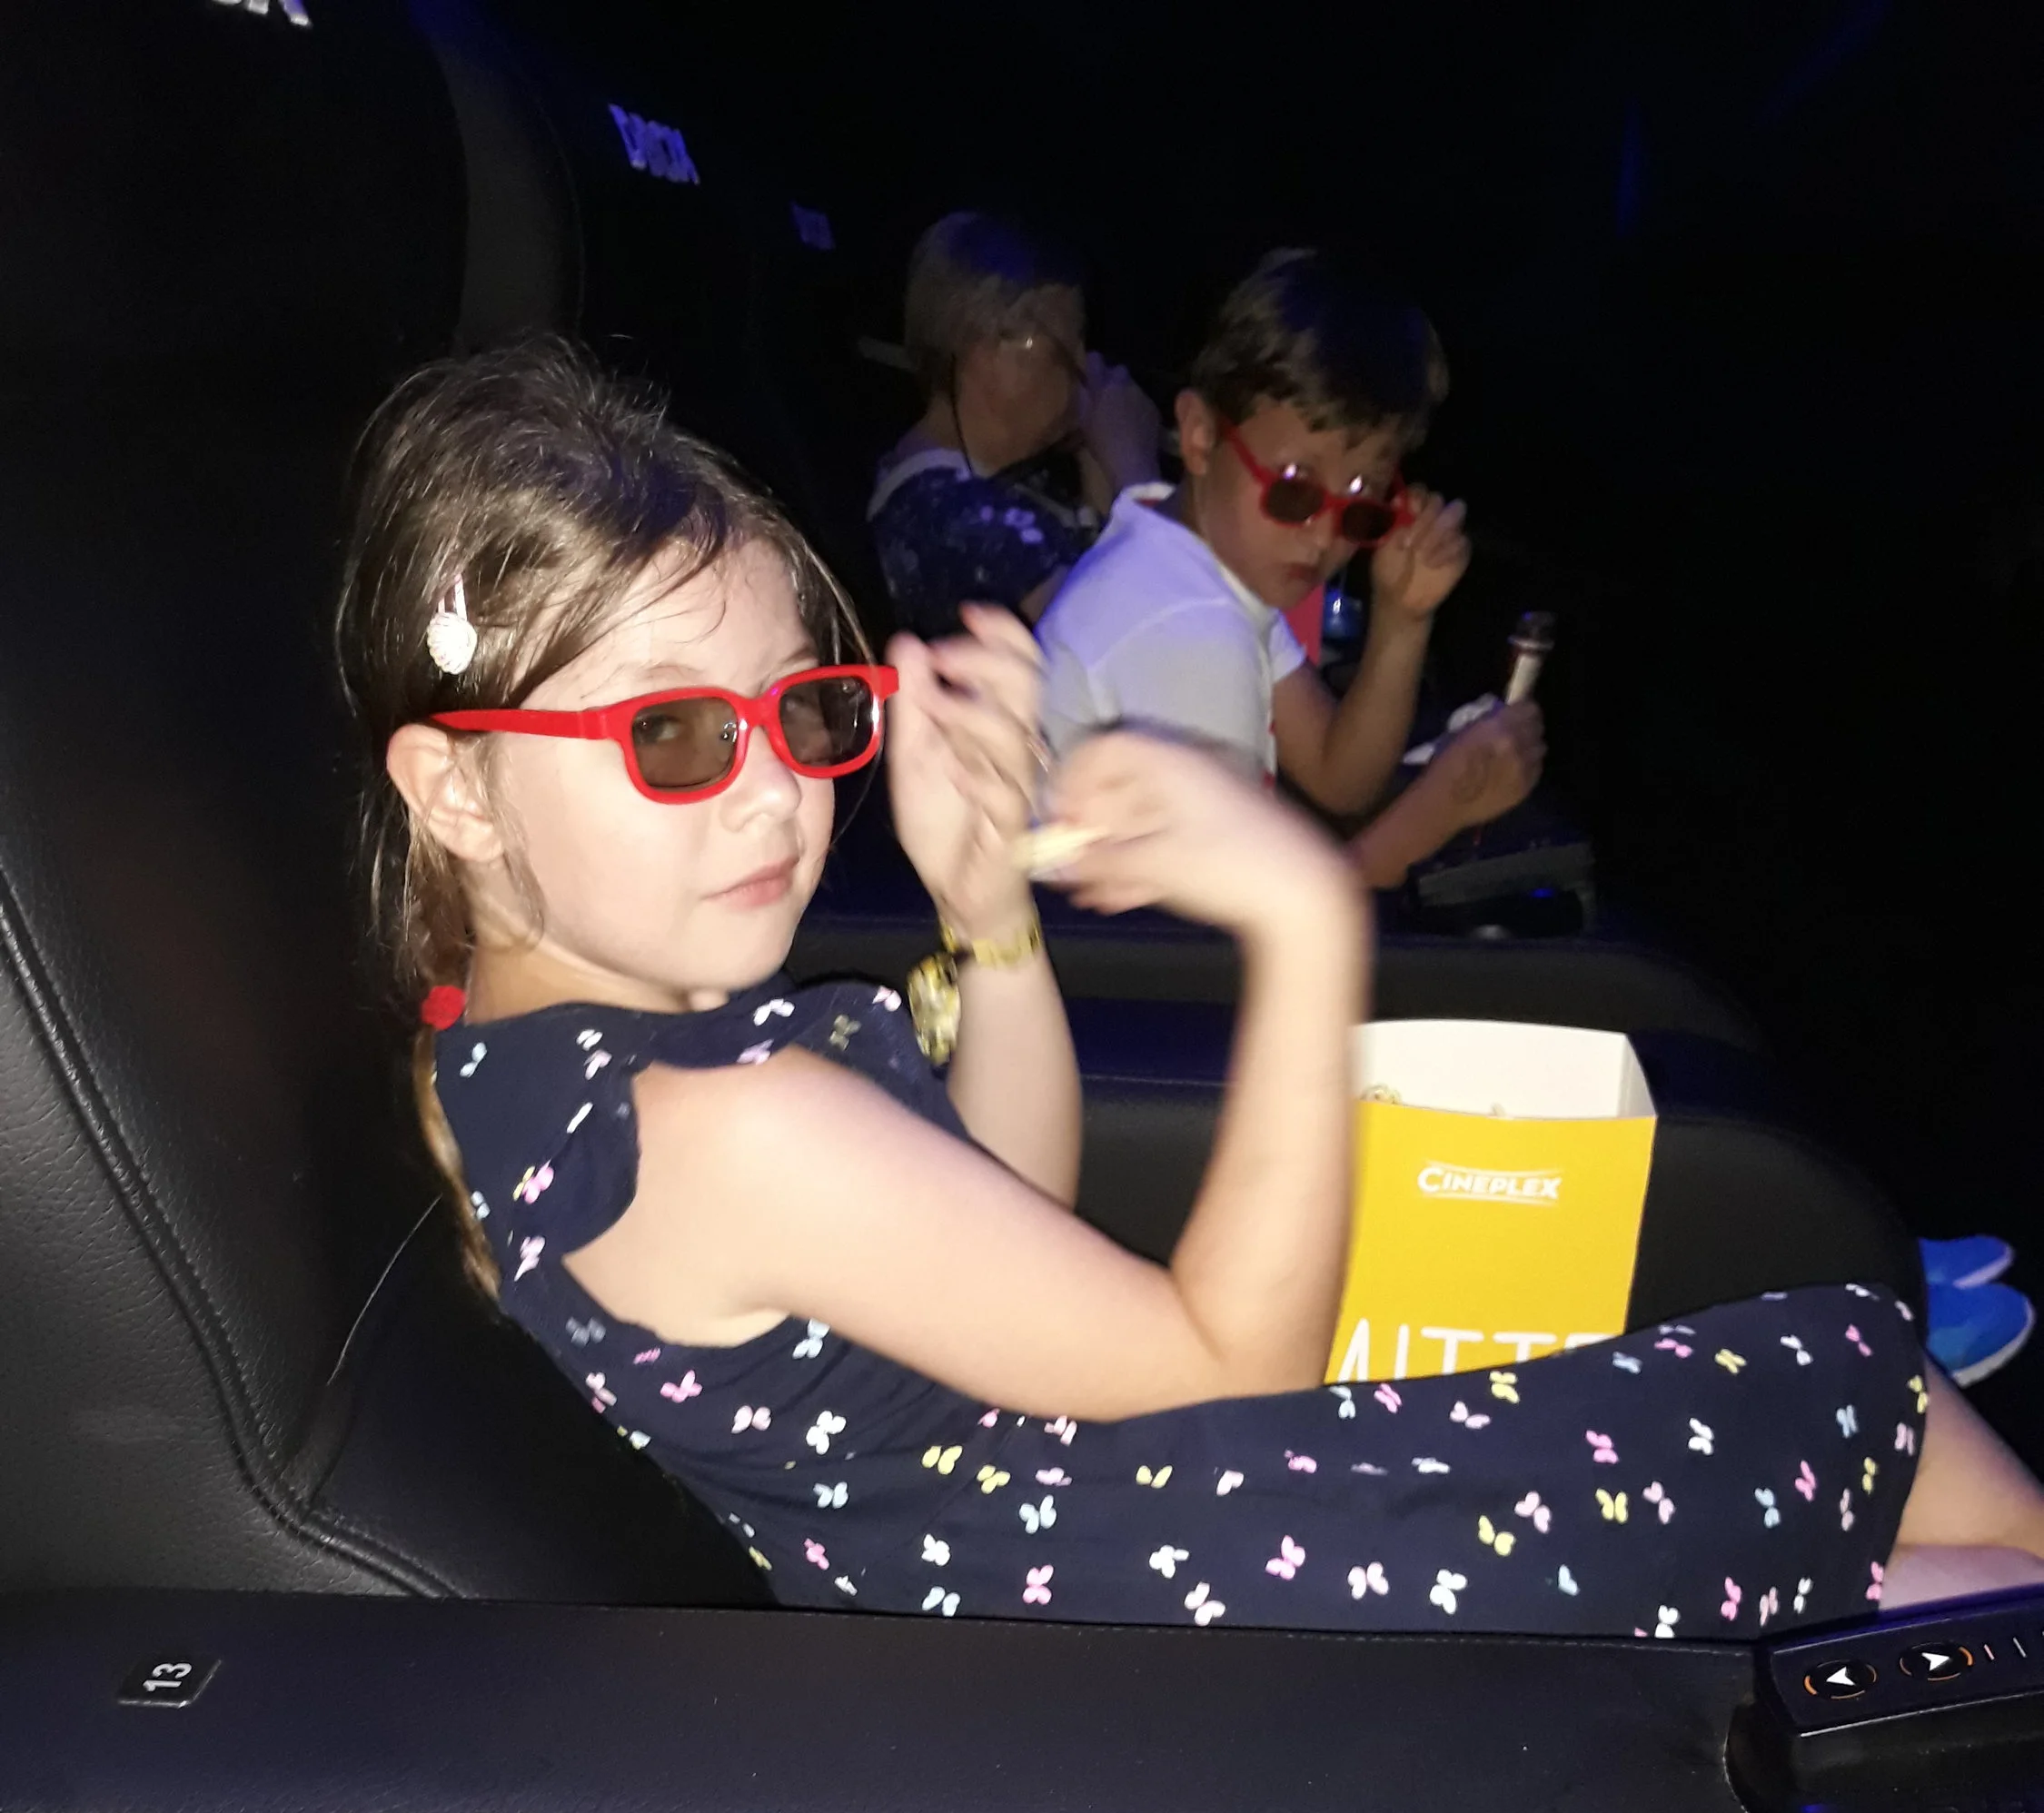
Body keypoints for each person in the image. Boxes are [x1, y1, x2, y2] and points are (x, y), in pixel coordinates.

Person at [342, 339, 2044, 1636]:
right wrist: (1300, 920)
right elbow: (1236, 1370)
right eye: (672, 735)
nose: (776, 792)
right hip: (1212, 1593)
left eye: (801, 712)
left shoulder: (556, 1060)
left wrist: (986, 912)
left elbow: (999, 1206)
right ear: (455, 791)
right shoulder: (722, 1128)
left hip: (1120, 1515)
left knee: (1855, 1377)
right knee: (1879, 1444)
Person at [1037, 247, 1543, 880]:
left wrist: (1403, 619)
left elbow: (1338, 776)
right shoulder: (1184, 626)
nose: (1325, 533)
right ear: (1199, 438)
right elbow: (1252, 922)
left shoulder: (1197, 556)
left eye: (1361, 498)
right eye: (1295, 488)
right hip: (1102, 944)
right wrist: (1443, 806)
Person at [868, 212, 1161, 638]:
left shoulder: (970, 486)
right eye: (1069, 345)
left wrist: (1097, 465)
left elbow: (1093, 566)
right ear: (990, 349)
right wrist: (1136, 471)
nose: (1084, 367)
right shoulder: (955, 517)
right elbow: (1139, 646)